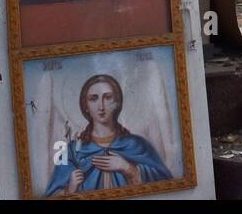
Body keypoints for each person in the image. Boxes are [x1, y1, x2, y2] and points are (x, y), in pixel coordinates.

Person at [45, 74, 173, 196]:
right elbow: (51, 194)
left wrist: (128, 168)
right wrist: (69, 189)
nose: (101, 106)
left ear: (117, 102)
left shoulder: (137, 144)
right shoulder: (71, 151)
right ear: (86, 106)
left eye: (107, 97)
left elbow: (168, 185)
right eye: (93, 99)